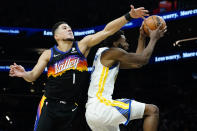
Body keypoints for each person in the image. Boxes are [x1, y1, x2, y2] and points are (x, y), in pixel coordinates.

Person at [9, 5, 149, 131]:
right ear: (56, 36)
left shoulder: (82, 46)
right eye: (64, 28)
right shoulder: (49, 53)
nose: (69, 29)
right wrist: (24, 74)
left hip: (71, 107)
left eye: (69, 27)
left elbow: (107, 30)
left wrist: (129, 16)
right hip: (49, 104)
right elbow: (32, 76)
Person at [85, 23, 167, 131]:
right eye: (124, 40)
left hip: (92, 112)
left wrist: (142, 37)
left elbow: (138, 64)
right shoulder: (113, 52)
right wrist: (153, 39)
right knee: (152, 111)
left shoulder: (104, 54)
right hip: (102, 107)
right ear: (115, 43)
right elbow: (144, 59)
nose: (127, 43)